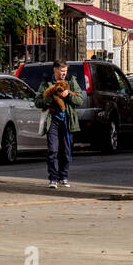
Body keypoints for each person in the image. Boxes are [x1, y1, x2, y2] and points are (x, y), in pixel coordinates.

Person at [34, 58, 83, 189]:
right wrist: (51, 98)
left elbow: (80, 100)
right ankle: (53, 179)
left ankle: (64, 177)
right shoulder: (46, 83)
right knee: (53, 151)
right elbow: (37, 101)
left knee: (66, 152)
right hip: (53, 121)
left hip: (68, 121)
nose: (64, 74)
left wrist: (68, 95)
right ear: (55, 70)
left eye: (65, 71)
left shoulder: (71, 81)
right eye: (61, 71)